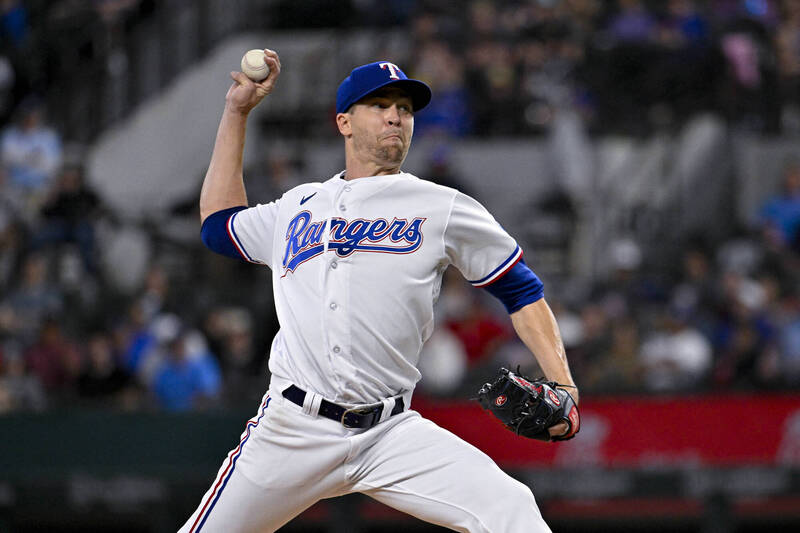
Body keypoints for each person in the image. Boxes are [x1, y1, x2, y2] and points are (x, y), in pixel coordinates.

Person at [181, 51, 579, 533]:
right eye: (380, 105)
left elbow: (523, 291)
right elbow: (218, 226)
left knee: (512, 509)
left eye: (405, 109)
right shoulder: (297, 206)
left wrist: (565, 385)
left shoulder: (442, 206)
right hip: (292, 428)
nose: (396, 115)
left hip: (389, 431)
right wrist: (237, 113)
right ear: (344, 122)